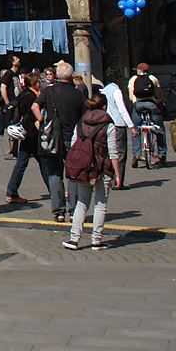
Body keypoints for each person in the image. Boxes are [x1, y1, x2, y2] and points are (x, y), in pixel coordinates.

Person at [35, 61, 85, 223]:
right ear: (71, 76)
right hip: (72, 138)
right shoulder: (78, 94)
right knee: (73, 174)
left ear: (57, 75)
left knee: (55, 173)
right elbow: (83, 118)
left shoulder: (49, 91)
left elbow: (35, 106)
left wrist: (42, 120)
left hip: (53, 137)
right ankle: (73, 209)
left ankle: (59, 211)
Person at [62, 91, 112, 250]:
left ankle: (74, 238)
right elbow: (114, 151)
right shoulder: (109, 125)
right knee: (100, 204)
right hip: (103, 167)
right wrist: (116, 173)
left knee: (82, 203)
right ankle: (97, 240)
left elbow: (73, 142)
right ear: (104, 107)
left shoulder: (81, 123)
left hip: (85, 167)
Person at [5, 72, 48, 204]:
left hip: (27, 134)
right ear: (34, 83)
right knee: (29, 163)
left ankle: (54, 188)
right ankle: (11, 191)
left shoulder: (24, 94)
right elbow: (31, 116)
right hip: (31, 134)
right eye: (39, 81)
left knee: (41, 162)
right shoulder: (31, 97)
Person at [101, 69, 135, 189]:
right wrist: (131, 126)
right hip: (118, 124)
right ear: (117, 78)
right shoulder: (116, 91)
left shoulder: (105, 90)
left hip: (107, 123)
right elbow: (122, 110)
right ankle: (119, 180)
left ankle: (109, 178)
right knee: (120, 153)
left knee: (110, 152)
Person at [128, 62, 165, 166]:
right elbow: (160, 95)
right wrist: (156, 102)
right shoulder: (153, 79)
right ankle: (162, 154)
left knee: (136, 128)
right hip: (151, 104)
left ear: (138, 70)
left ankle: (136, 154)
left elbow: (131, 98)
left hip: (138, 105)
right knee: (160, 128)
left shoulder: (133, 80)